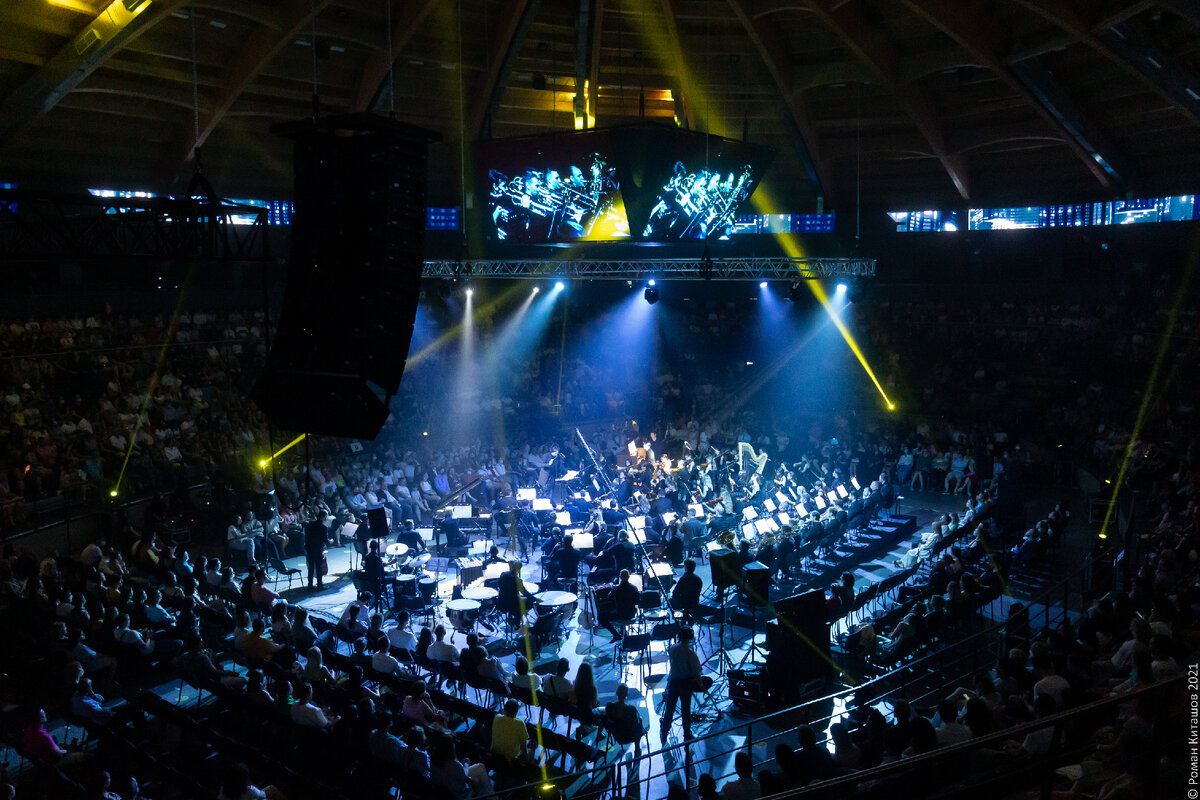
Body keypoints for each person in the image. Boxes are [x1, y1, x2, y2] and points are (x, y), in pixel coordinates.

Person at [660, 627, 703, 741]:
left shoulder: (672, 648)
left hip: (673, 682)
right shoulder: (691, 654)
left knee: (670, 708)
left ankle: (664, 731)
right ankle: (687, 734)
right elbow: (696, 672)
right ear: (690, 637)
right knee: (685, 710)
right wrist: (701, 685)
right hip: (685, 683)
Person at [601, 683, 645, 757]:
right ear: (627, 695)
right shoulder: (631, 709)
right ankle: (637, 748)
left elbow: (605, 719)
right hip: (631, 736)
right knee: (639, 721)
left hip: (618, 737)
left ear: (617, 693)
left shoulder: (610, 707)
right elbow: (636, 723)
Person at [602, 569, 640, 641]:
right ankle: (621, 632)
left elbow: (609, 597)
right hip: (631, 614)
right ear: (629, 577)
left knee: (600, 617)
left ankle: (616, 635)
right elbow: (637, 603)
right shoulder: (634, 588)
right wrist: (635, 610)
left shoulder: (616, 588)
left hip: (620, 615)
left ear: (620, 577)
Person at [303, 509, 327, 589]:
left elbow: (306, 535)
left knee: (311, 567)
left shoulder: (309, 525)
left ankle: (310, 585)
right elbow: (325, 539)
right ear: (324, 517)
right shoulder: (323, 527)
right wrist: (330, 541)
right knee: (318, 567)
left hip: (309, 548)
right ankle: (319, 584)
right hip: (318, 548)